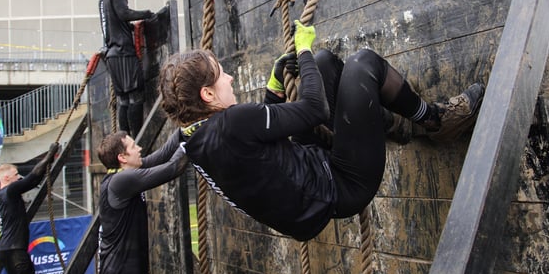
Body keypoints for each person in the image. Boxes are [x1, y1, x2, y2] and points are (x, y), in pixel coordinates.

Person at [157, 20, 484, 242]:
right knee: (362, 64)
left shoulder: (194, 140)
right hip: (341, 187)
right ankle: (437, 121)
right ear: (207, 95)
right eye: (221, 75)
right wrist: (303, 50)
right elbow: (316, 110)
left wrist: (275, 87)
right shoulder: (232, 123)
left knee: (326, 63)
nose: (229, 78)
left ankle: (395, 127)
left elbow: (258, 144)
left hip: (308, 180)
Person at [97, 130, 188, 274]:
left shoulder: (127, 174)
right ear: (122, 158)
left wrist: (183, 132)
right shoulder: (121, 181)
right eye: (133, 146)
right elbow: (174, 167)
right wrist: (197, 137)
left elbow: (162, 156)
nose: (139, 149)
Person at [0, 143, 60, 274]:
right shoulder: (10, 190)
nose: (18, 177)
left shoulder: (2, 194)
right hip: (14, 250)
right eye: (16, 175)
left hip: (10, 249)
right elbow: (32, 179)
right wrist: (48, 157)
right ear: (7, 177)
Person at [99, 0, 155, 136]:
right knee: (135, 96)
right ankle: (138, 139)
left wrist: (131, 27)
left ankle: (124, 139)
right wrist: (146, 14)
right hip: (124, 52)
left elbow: (113, 23)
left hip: (112, 54)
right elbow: (124, 14)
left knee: (123, 100)